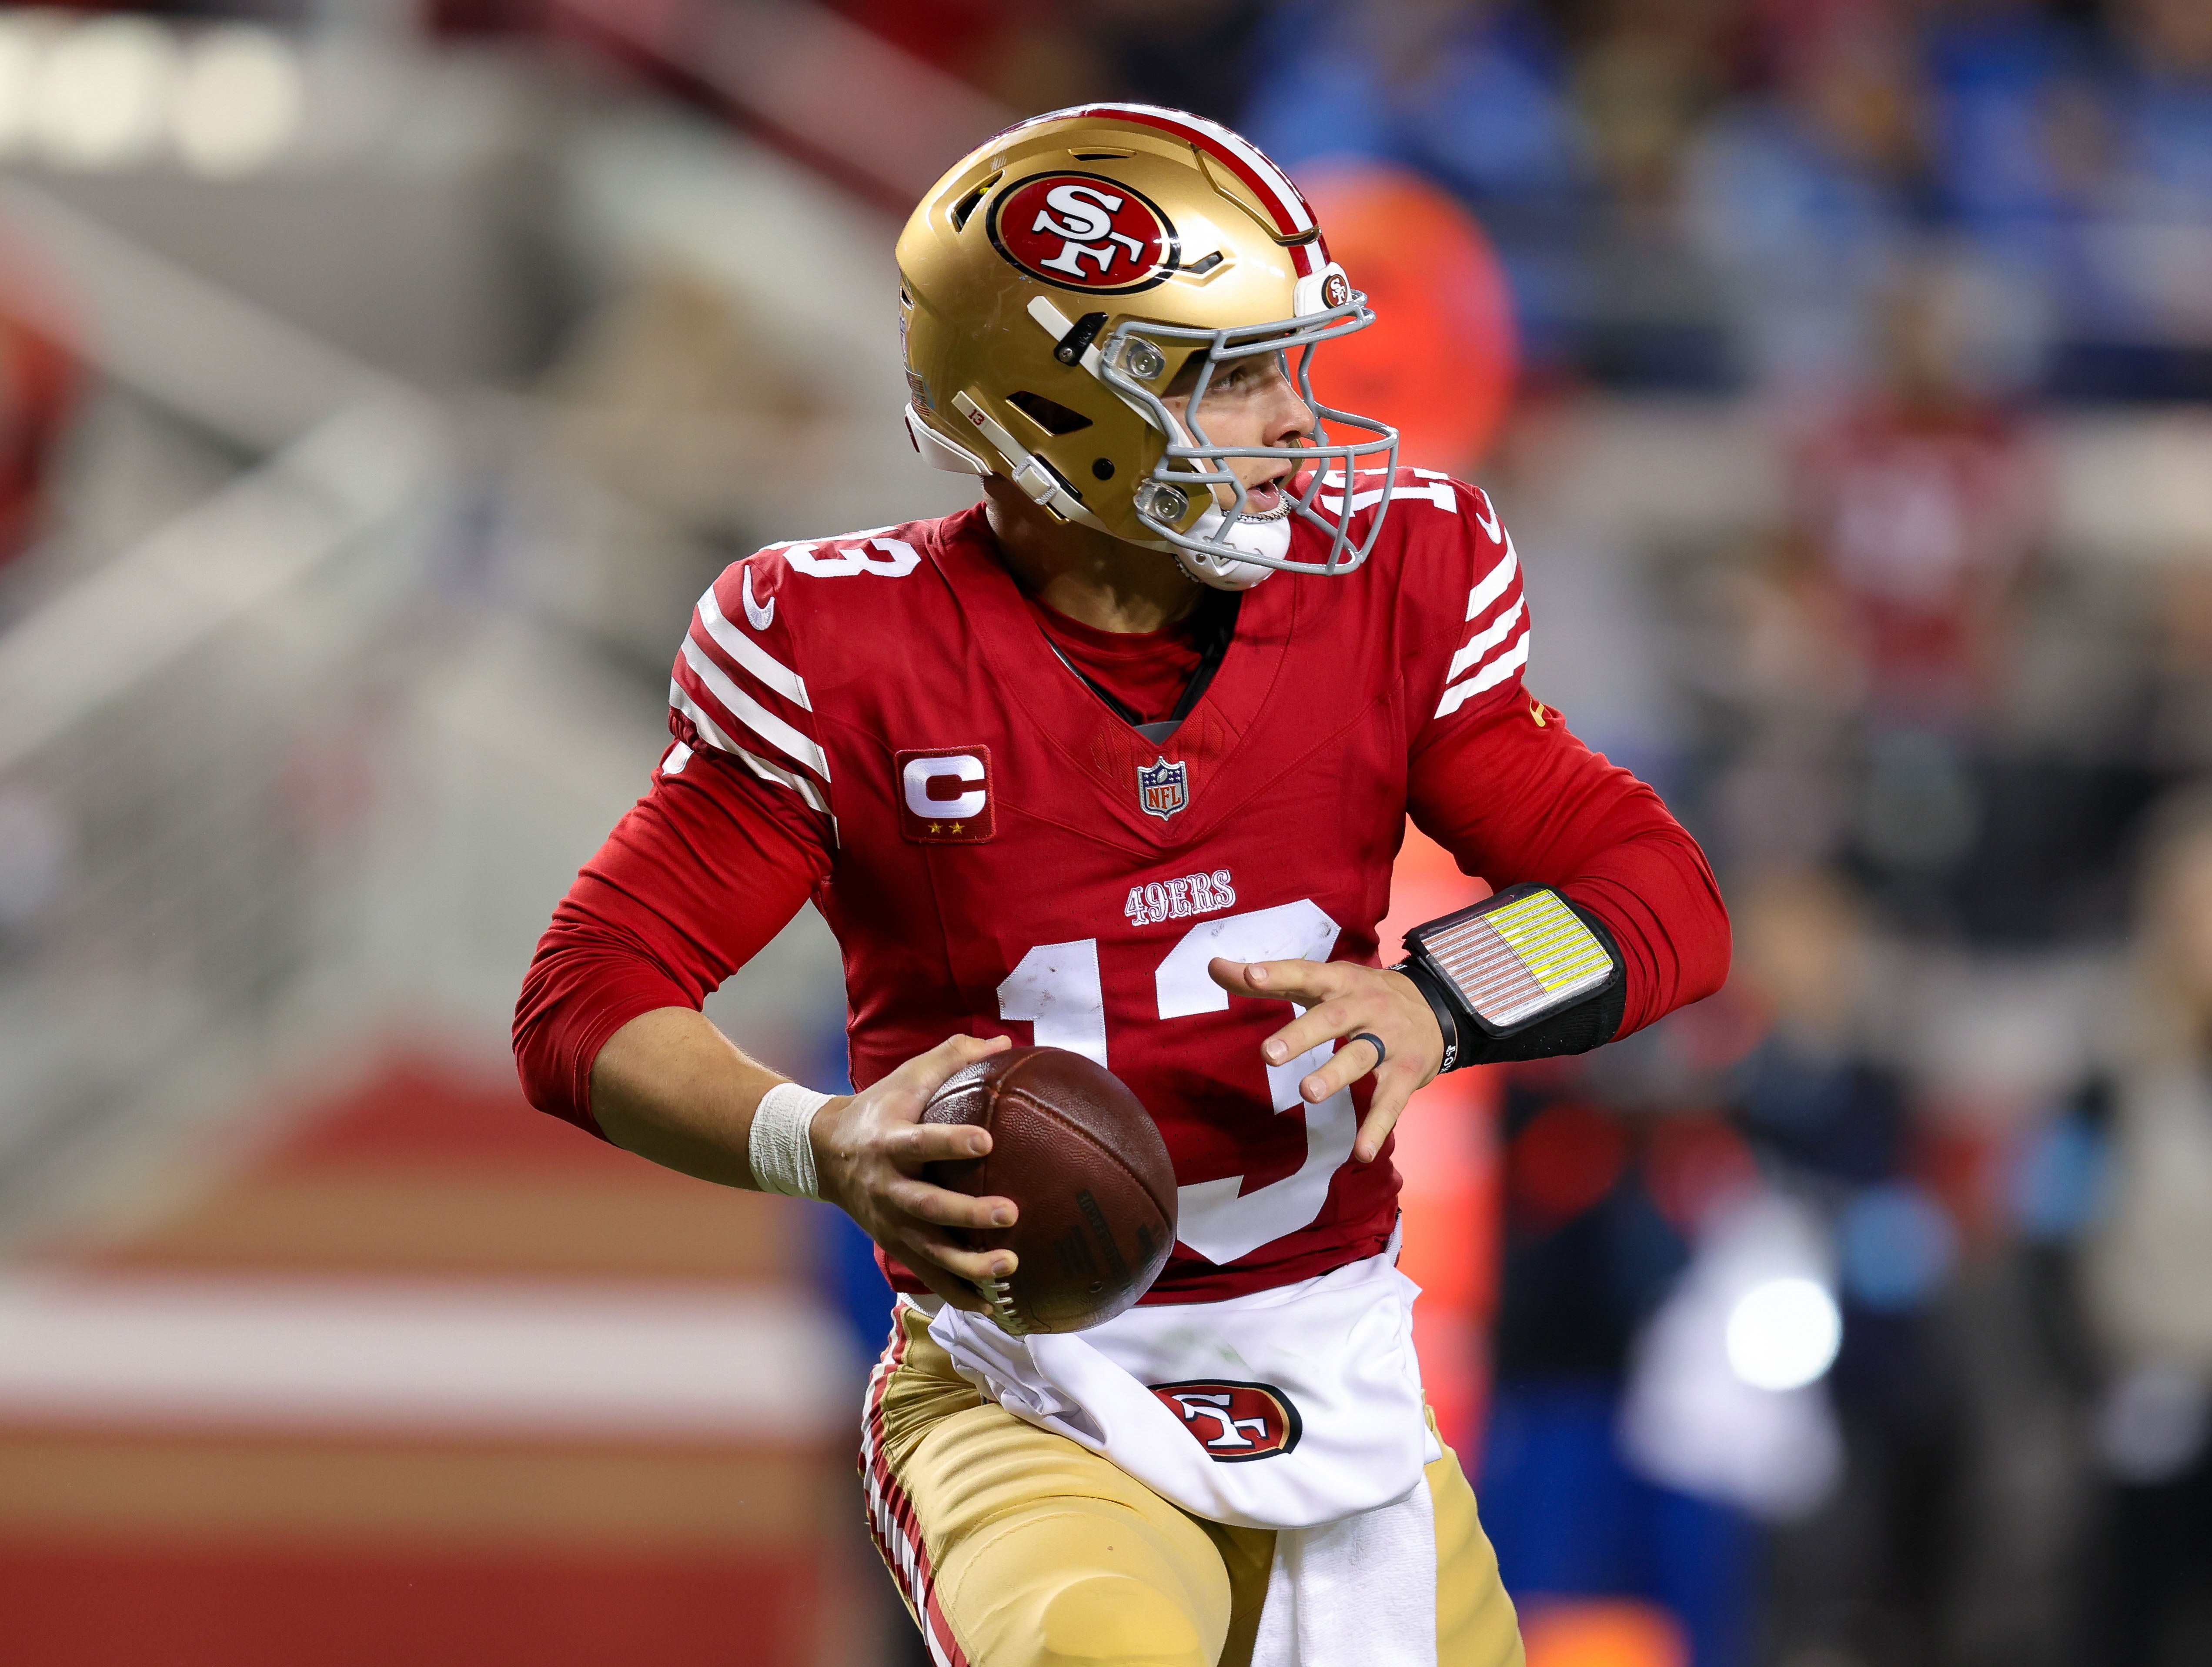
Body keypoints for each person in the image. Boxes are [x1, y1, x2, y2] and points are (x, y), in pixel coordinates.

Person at [513, 104, 1729, 1667]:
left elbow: (1660, 893)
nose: (1299, 424)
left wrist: (1441, 1000)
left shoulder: (1394, 581)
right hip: (1031, 1389)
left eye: (1293, 364)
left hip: (1339, 1376)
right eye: (1234, 376)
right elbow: (585, 998)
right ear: (1060, 404)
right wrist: (821, 1140)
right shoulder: (846, 648)